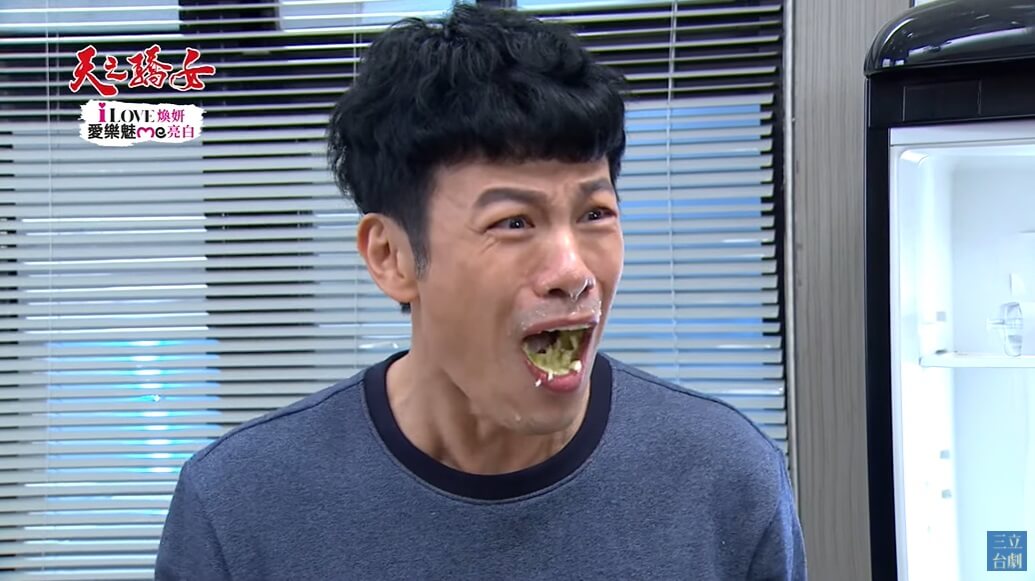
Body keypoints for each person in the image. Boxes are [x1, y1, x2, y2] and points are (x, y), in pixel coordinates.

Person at [154, 4, 807, 580]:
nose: (572, 271)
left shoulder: (725, 481)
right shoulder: (239, 508)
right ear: (391, 256)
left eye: (595, 213)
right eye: (513, 222)